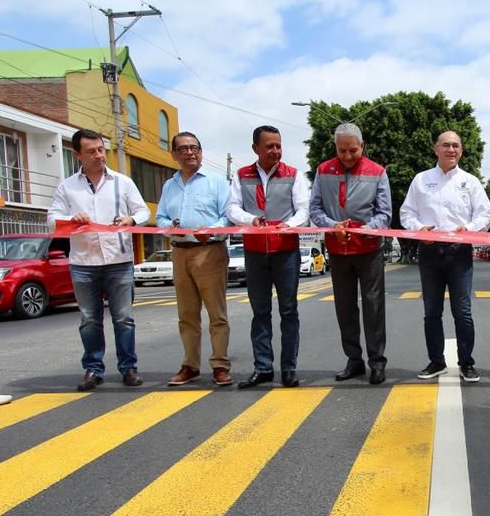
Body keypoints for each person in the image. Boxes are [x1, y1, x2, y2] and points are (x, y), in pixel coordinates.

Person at [47, 128, 150, 391]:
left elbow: (143, 212)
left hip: (118, 259)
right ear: (78, 154)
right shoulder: (67, 187)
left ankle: (129, 368)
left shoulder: (122, 182)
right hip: (84, 262)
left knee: (124, 318)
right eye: (91, 151)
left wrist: (130, 219)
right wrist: (72, 220)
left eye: (101, 149)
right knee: (89, 319)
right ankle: (93, 369)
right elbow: (52, 221)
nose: (99, 155)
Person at [400, 131, 490, 382]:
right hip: (429, 250)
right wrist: (419, 230)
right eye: (446, 145)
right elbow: (406, 213)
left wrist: (469, 228)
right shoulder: (421, 180)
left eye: (456, 146)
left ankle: (466, 363)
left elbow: (485, 214)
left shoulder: (470, 182)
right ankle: (436, 361)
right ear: (436, 149)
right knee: (432, 311)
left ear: (461, 151)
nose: (451, 149)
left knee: (462, 311)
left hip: (459, 252)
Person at [227, 125, 310, 389]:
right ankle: (263, 367)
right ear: (256, 148)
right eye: (269, 146)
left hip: (286, 251)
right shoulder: (241, 176)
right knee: (259, 311)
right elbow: (232, 208)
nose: (275, 151)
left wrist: (289, 224)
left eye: (278, 145)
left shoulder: (293, 175)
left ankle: (289, 368)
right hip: (254, 252)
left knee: (289, 310)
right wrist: (250, 219)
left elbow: (303, 209)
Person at [309, 122, 393, 385]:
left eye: (353, 150)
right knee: (344, 307)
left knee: (373, 307)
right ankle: (353, 360)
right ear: (335, 147)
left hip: (368, 249)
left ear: (362, 146)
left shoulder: (377, 172)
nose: (347, 156)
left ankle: (377, 362)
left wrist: (365, 230)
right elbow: (315, 208)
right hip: (337, 249)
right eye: (342, 150)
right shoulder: (323, 171)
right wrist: (331, 226)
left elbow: (385, 213)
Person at [156, 131, 234, 387]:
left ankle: (220, 365)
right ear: (174, 155)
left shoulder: (216, 182)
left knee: (216, 314)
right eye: (184, 149)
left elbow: (228, 216)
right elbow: (160, 219)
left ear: (201, 151)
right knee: (187, 315)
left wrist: (212, 229)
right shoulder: (170, 185)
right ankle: (190, 365)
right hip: (179, 252)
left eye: (194, 148)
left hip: (210, 251)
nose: (190, 152)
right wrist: (172, 226)